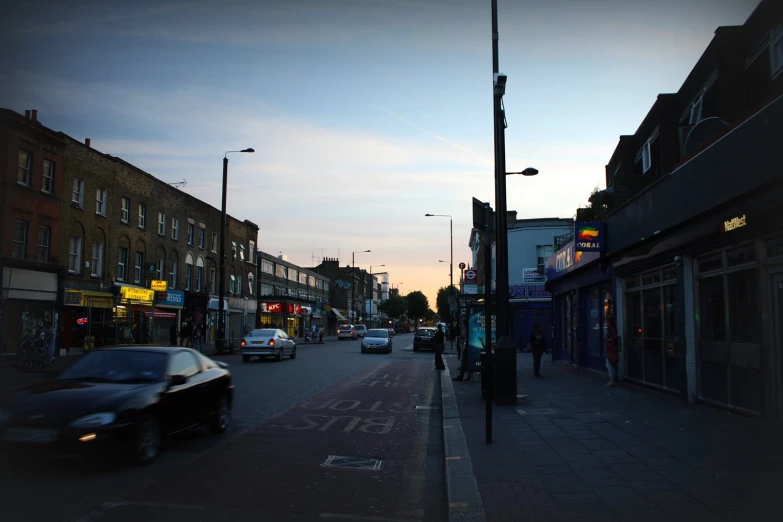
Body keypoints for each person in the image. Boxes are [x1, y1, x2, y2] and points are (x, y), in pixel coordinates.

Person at [605, 318, 619, 386]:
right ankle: (612, 379)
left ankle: (612, 380)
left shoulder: (611, 328)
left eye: (607, 322)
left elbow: (615, 337)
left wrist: (608, 339)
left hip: (611, 348)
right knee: (610, 364)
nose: (606, 323)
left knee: (609, 364)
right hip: (610, 348)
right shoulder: (611, 328)